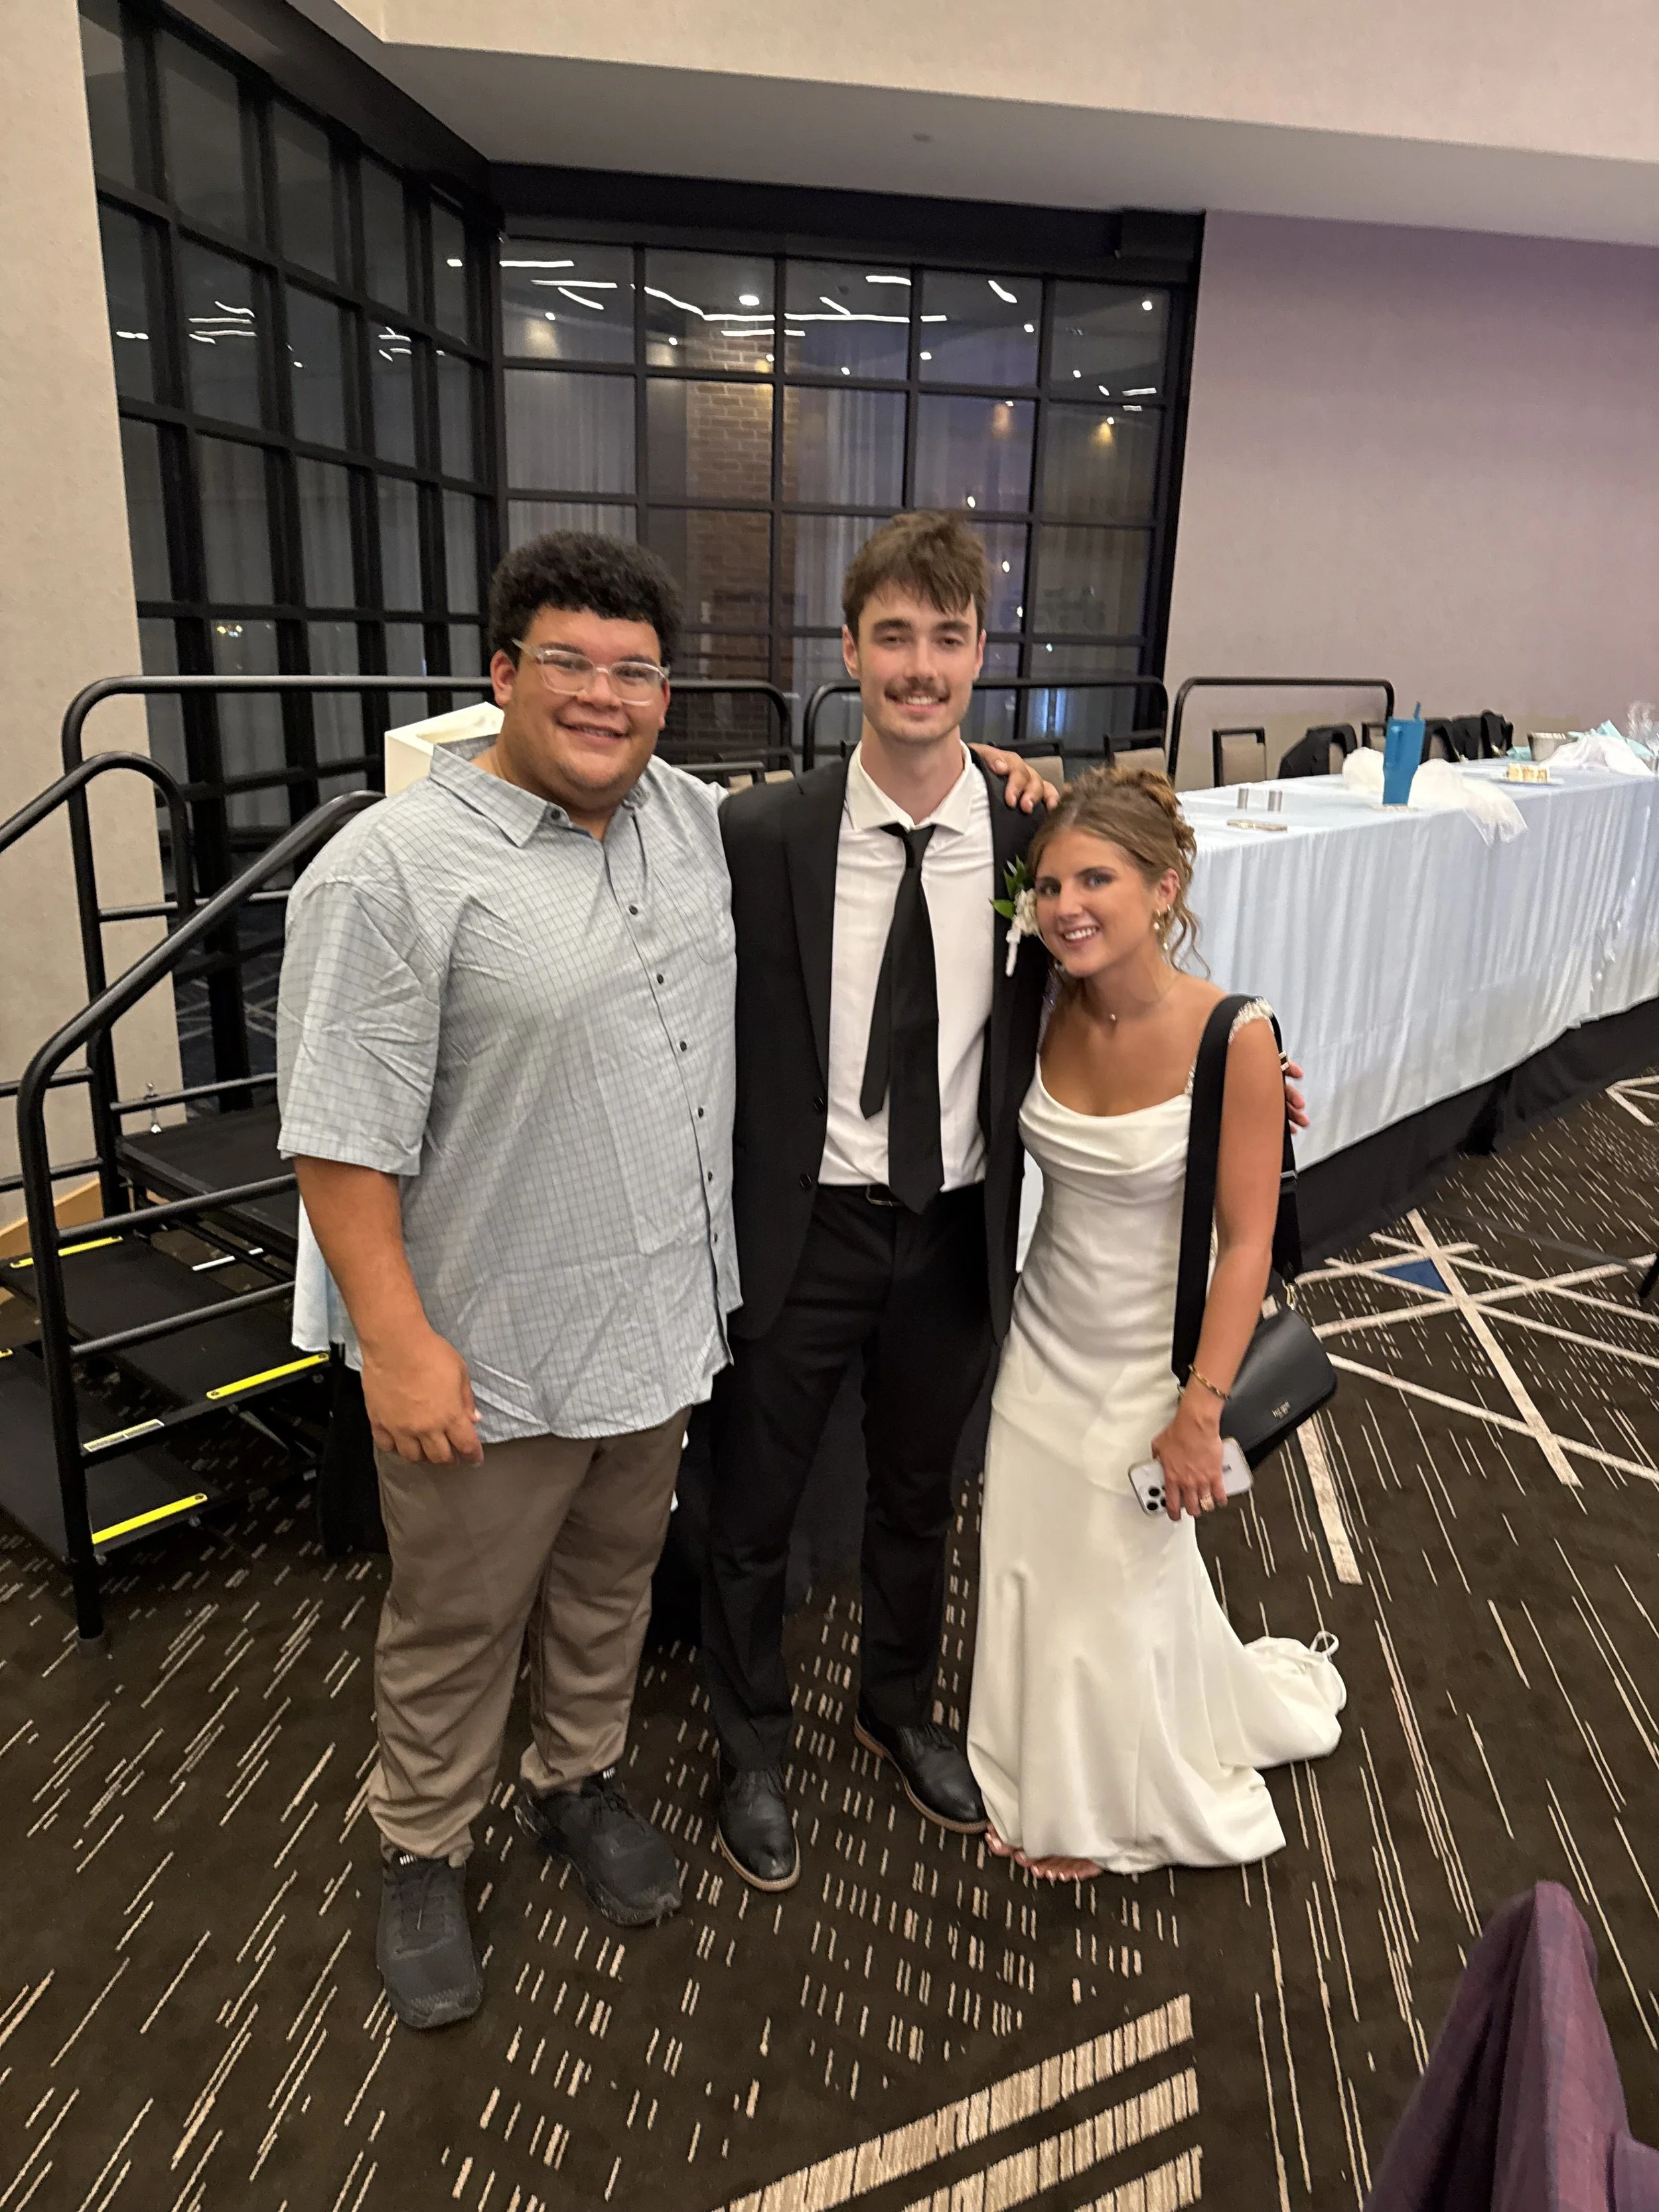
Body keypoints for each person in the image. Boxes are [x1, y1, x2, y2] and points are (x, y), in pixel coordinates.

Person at [278, 529, 1050, 2028]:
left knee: (611, 1586)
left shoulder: (693, 824)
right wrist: (396, 1338)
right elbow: (338, 1133)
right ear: (501, 673)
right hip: (490, 1335)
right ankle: (421, 1846)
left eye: (633, 672)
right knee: (458, 1612)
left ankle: (575, 1778)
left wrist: (999, 768)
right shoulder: (388, 870)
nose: (602, 696)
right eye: (567, 663)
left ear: (666, 698)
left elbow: (917, 786)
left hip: (661, 1322)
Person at [966, 764, 1345, 1881]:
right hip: (1043, 1337)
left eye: (1098, 880)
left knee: (1113, 1584)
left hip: (1154, 1359)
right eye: (1049, 886)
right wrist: (1004, 765)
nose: (1066, 906)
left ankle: (1105, 1805)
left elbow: (1248, 1246)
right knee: (1034, 1561)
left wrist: (1200, 1411)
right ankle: (1036, 1761)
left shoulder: (1234, 1035)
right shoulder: (1040, 1001)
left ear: (1164, 888)